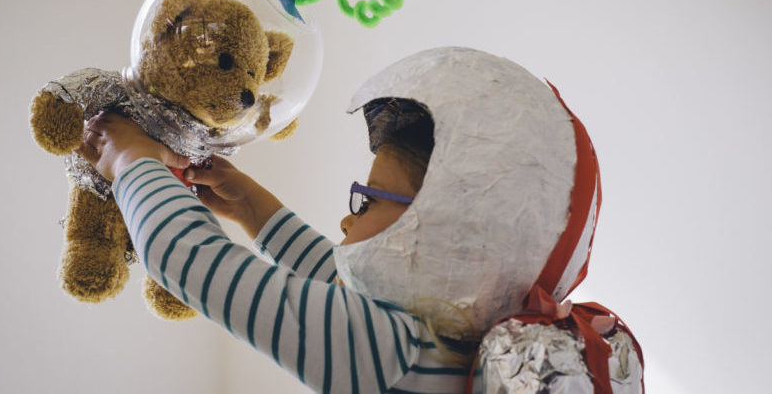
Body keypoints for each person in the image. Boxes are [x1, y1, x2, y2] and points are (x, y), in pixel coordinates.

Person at [78, 47, 643, 394]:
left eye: (366, 201)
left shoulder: (390, 355)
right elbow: (350, 284)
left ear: (445, 233)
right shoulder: (452, 344)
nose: (346, 227)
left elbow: (190, 260)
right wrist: (250, 206)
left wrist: (130, 160)